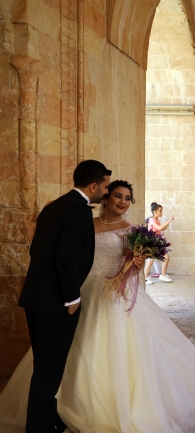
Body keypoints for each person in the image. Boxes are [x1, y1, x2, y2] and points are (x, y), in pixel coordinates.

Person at [0, 181, 195, 432]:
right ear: (105, 198)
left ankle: (112, 405)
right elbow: (72, 256)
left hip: (115, 296)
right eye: (118, 196)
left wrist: (135, 265)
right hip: (84, 291)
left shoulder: (131, 231)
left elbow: (130, 269)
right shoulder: (86, 223)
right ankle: (57, 407)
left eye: (128, 198)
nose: (122, 201)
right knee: (65, 348)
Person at [6, 160, 111, 432]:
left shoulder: (53, 206)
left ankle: (48, 419)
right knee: (48, 371)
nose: (106, 192)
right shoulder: (78, 211)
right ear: (93, 186)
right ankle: (40, 427)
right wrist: (72, 298)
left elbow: (36, 250)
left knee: (44, 364)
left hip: (35, 298)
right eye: (106, 186)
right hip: (56, 304)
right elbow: (66, 258)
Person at [143, 202, 174, 283]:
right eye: (160, 211)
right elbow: (159, 228)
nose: (161, 212)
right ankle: (147, 277)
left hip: (156, 242)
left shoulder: (156, 220)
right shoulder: (152, 220)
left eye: (161, 211)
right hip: (152, 243)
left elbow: (161, 229)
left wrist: (167, 223)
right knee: (152, 260)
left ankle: (161, 275)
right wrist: (168, 221)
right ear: (155, 212)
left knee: (161, 258)